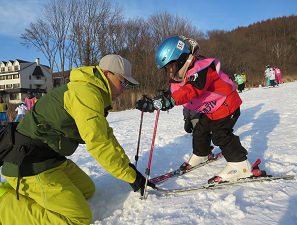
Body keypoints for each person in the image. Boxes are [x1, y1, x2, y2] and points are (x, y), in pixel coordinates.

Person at [0, 54, 155, 225]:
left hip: (51, 159)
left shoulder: (93, 93)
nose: (125, 88)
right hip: (29, 163)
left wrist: (128, 168)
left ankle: (26, 192)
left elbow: (106, 136)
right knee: (78, 218)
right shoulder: (86, 93)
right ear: (106, 74)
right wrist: (131, 177)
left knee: (87, 190)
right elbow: (99, 143)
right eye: (123, 82)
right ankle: (4, 204)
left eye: (128, 84)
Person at [136, 36, 260, 184]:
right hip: (213, 109)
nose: (170, 72)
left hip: (227, 105)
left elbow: (191, 90)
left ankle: (240, 165)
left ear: (181, 59)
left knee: (220, 135)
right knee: (201, 129)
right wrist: (156, 102)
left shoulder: (201, 68)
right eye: (167, 70)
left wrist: (170, 101)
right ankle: (202, 153)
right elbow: (174, 93)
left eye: (171, 67)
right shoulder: (180, 77)